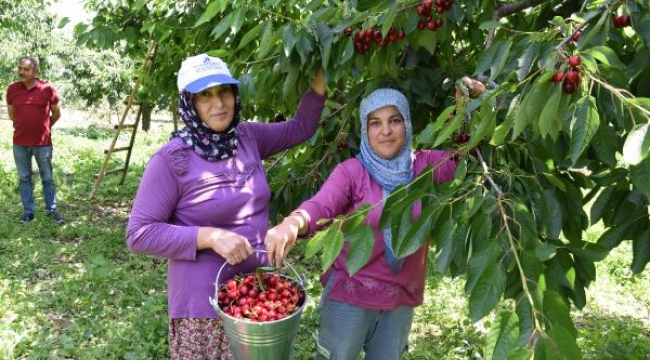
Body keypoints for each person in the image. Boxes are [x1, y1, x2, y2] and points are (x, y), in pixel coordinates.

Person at [126, 53, 326, 359]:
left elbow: (301, 127)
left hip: (253, 296)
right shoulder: (171, 160)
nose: (218, 103)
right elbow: (139, 233)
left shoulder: (246, 137)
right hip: (203, 308)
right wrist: (209, 236)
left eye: (224, 92)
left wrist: (323, 71)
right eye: (205, 95)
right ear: (189, 103)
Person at [264, 88, 457, 360]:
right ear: (365, 131)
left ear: (407, 124)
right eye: (375, 123)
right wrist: (293, 223)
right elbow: (321, 206)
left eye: (395, 120)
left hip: (399, 299)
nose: (386, 131)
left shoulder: (422, 167)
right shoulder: (352, 173)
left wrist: (470, 107)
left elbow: (468, 155)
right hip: (351, 297)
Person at [5, 56, 64, 224]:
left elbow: (56, 113)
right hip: (20, 142)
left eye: (26, 69)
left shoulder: (48, 88)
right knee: (24, 178)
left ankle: (51, 210)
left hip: (43, 143)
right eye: (20, 68)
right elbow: (12, 113)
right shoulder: (12, 89)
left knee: (47, 178)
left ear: (36, 71)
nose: (22, 72)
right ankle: (28, 212)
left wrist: (44, 127)